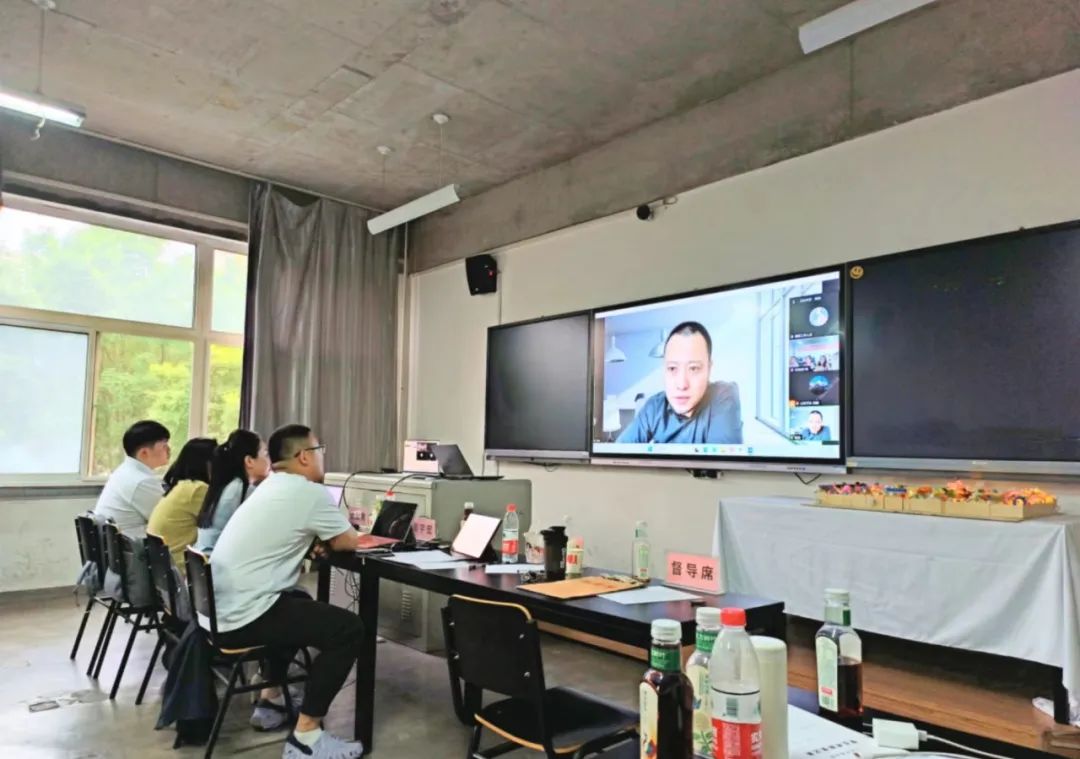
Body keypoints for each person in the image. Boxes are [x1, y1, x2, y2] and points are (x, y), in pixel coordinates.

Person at [210, 424, 365, 759]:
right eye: (319, 450)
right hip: (244, 616)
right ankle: (307, 737)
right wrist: (326, 539)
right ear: (304, 456)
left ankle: (272, 699)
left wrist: (311, 540)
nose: (322, 457)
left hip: (218, 611)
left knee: (298, 601)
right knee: (348, 629)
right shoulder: (308, 492)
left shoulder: (265, 486)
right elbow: (348, 541)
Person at [617, 322, 742, 445]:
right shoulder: (654, 406)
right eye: (672, 368)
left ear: (709, 369)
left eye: (693, 368)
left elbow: (722, 456)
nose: (682, 385)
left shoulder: (723, 395)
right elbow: (620, 449)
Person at [147, 437, 216, 573]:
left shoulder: (182, 486)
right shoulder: (198, 489)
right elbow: (221, 524)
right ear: (207, 463)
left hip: (165, 569)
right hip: (182, 571)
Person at [196, 430, 271, 552]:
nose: (270, 461)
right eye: (266, 454)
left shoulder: (229, 485)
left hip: (206, 558)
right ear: (249, 461)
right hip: (219, 560)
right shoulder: (241, 490)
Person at [93, 420, 171, 535]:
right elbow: (169, 520)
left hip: (122, 541)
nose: (169, 450)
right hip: (136, 543)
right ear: (144, 453)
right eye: (164, 446)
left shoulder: (126, 471)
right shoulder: (141, 481)